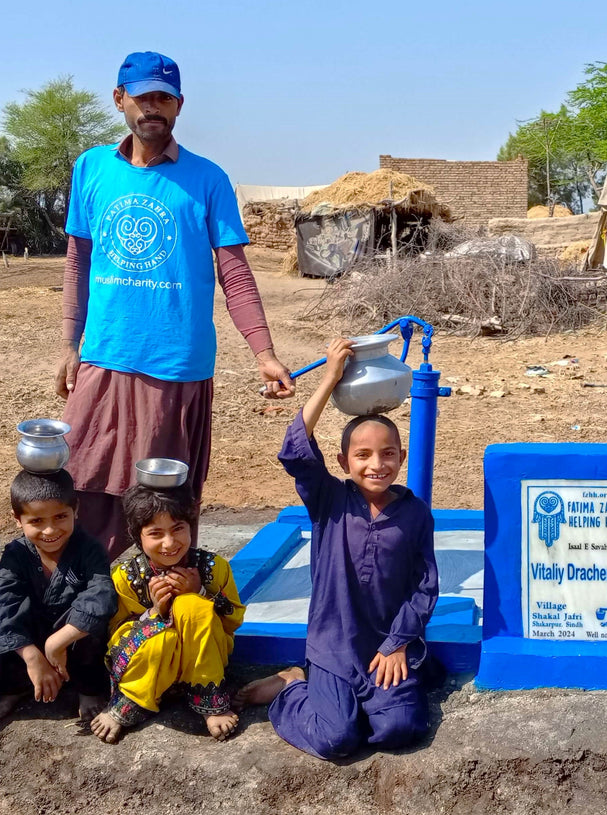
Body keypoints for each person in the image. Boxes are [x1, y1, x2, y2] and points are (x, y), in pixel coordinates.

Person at [55, 51, 294, 560]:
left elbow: (234, 273)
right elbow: (78, 263)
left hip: (176, 366)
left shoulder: (207, 179)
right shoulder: (91, 168)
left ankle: (155, 604)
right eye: (143, 97)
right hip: (105, 355)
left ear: (179, 106)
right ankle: (84, 603)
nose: (153, 109)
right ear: (120, 100)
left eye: (164, 98)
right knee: (79, 483)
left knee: (160, 501)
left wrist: (264, 352)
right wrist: (69, 346)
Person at [235, 338, 438, 760]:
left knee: (401, 729)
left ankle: (357, 701)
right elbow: (295, 448)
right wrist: (329, 377)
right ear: (344, 462)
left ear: (401, 458)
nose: (375, 464)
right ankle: (294, 686)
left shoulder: (415, 513)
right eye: (362, 455)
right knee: (337, 739)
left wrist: (398, 643)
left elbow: (424, 588)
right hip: (334, 647)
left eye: (387, 454)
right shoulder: (330, 501)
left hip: (385, 646)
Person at [90, 481, 245, 743]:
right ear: (137, 534)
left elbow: (232, 622)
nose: (169, 543)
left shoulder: (211, 568)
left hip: (203, 660)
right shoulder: (126, 577)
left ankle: (207, 694)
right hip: (149, 662)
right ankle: (133, 698)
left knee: (191, 605)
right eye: (156, 533)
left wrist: (201, 594)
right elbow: (113, 633)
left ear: (190, 526)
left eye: (178, 529)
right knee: (163, 637)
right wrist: (153, 613)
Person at [0, 470, 116, 720]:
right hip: (28, 644)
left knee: (93, 618)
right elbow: (5, 602)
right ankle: (15, 686)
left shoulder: (89, 549)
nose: (50, 530)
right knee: (7, 622)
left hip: (73, 644)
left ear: (76, 509)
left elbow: (101, 594)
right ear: (18, 519)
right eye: (37, 521)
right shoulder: (16, 555)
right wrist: (31, 655)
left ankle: (88, 689)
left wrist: (59, 641)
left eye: (60, 516)